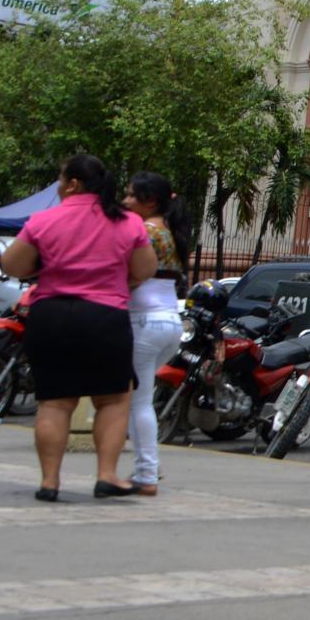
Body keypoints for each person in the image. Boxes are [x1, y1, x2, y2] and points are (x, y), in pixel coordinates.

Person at [0, 153, 157, 502]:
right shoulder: (127, 222)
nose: (57, 185)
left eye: (60, 179)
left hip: (51, 314)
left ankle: (50, 482)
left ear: (73, 183)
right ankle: (106, 476)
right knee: (114, 399)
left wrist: (44, 269)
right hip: (104, 316)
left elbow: (12, 264)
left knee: (54, 402)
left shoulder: (44, 220)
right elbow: (145, 268)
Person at [121, 173, 193, 497]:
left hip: (143, 321)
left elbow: (129, 275)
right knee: (136, 399)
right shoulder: (170, 233)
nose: (125, 202)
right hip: (169, 322)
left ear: (150, 201)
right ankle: (147, 462)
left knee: (138, 401)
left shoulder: (144, 232)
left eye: (131, 196)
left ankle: (147, 471)